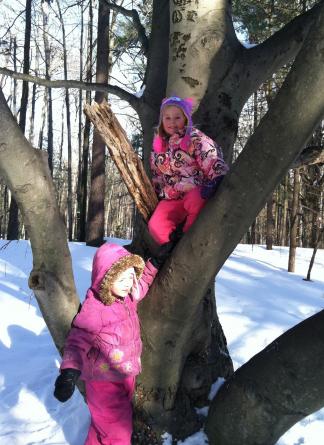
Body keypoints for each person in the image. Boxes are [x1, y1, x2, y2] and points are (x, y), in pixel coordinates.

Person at [53, 242, 168, 445]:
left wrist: (154, 265)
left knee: (103, 428)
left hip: (125, 377)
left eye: (130, 277)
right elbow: (77, 340)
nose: (127, 283)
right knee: (118, 433)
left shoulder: (128, 296)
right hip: (103, 384)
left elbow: (142, 284)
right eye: (121, 278)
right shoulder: (95, 308)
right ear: (105, 279)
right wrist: (69, 372)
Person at [148, 95, 229, 245]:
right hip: (172, 196)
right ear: (162, 120)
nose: (172, 122)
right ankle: (170, 247)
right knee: (156, 225)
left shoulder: (195, 138)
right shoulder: (159, 146)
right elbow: (157, 173)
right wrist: (156, 191)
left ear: (185, 118)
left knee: (195, 201)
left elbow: (210, 157)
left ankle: (188, 237)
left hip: (195, 189)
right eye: (167, 118)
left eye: (177, 117)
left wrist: (217, 177)